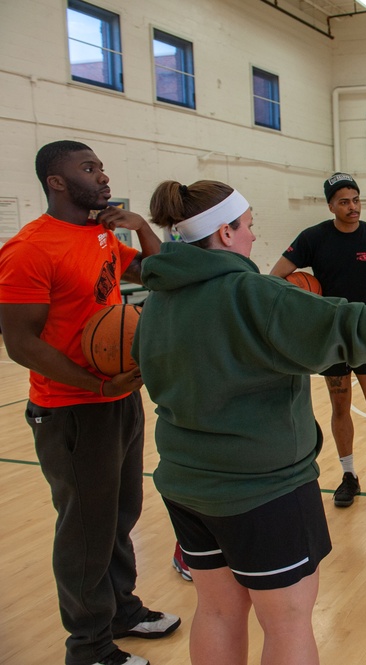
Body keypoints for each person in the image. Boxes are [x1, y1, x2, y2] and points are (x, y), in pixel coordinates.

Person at [134, 179, 366, 665]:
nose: (251, 238)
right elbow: (349, 323)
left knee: (218, 612)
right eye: (247, 228)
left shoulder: (156, 299)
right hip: (262, 490)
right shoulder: (251, 293)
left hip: (185, 485)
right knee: (286, 622)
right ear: (225, 233)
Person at [0, 140, 179, 665]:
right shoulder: (29, 249)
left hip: (116, 393)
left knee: (121, 513)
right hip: (71, 407)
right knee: (85, 529)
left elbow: (155, 274)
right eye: (87, 168)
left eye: (100, 166)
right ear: (56, 182)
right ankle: (89, 647)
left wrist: (142, 229)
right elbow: (20, 342)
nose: (101, 176)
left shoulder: (99, 234)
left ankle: (120, 609)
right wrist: (93, 384)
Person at [270, 173, 366, 509]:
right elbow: (275, 279)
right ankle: (349, 475)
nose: (352, 207)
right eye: (343, 202)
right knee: (340, 407)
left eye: (355, 199)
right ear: (330, 205)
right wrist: (303, 306)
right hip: (330, 337)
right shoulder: (313, 238)